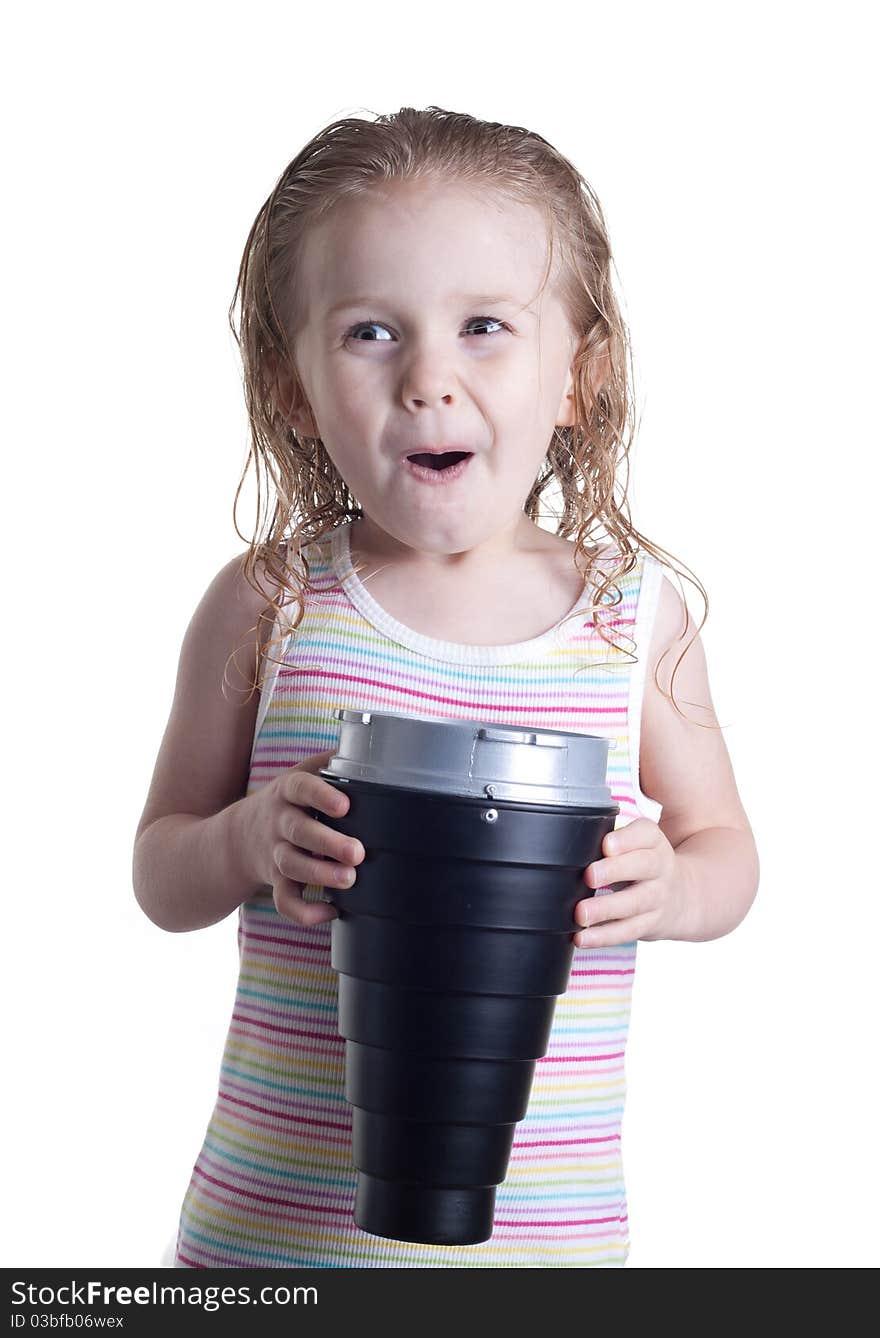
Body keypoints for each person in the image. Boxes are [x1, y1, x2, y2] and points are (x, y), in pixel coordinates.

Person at [133, 105, 760, 1269]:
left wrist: (672, 890)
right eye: (371, 331)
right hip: (268, 1246)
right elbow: (160, 871)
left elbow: (728, 850)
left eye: (484, 327)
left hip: (544, 1252)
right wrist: (242, 843)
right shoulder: (270, 602)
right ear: (291, 385)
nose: (429, 379)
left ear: (579, 374)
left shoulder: (632, 620)